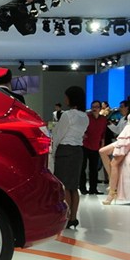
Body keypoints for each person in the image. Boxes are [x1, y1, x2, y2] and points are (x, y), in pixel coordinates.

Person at [51, 86, 88, 230]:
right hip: (78, 151)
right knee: (74, 187)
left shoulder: (67, 115)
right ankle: (73, 218)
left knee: (65, 186)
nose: (65, 99)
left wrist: (54, 152)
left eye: (66, 96)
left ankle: (65, 218)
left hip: (65, 151)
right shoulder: (85, 116)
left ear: (71, 98)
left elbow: (58, 135)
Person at [80, 100, 108, 195]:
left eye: (96, 107)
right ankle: (83, 188)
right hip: (85, 145)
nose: (94, 109)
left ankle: (93, 189)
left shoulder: (103, 119)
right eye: (93, 107)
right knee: (83, 168)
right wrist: (82, 134)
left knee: (94, 169)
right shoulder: (87, 117)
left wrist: (102, 143)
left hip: (96, 146)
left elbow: (103, 133)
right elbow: (80, 128)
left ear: (100, 108)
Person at [101, 123, 130, 205]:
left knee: (114, 163)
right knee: (102, 151)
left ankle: (112, 193)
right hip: (125, 137)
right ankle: (112, 181)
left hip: (127, 138)